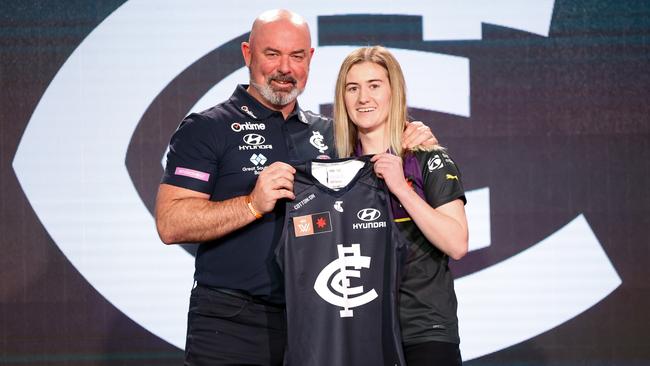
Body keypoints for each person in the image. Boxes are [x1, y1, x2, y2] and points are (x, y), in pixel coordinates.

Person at [155, 10, 437, 366]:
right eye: (272, 54)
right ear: (247, 54)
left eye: (297, 56)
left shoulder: (335, 135)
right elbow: (170, 222)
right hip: (231, 323)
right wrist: (251, 204)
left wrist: (416, 139)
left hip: (320, 322)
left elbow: (385, 157)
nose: (284, 68)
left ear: (310, 59)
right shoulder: (207, 128)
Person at [332, 46, 469, 365]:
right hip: (358, 333)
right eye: (353, 88)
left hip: (425, 332)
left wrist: (402, 189)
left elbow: (457, 243)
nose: (363, 97)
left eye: (374, 85)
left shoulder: (428, 158)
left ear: (394, 92)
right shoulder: (336, 172)